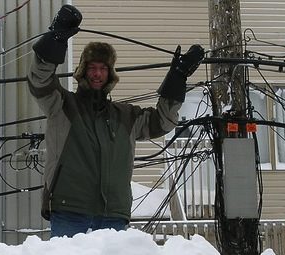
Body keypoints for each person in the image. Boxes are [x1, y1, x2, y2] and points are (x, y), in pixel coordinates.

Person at [28, 5, 204, 238]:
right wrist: (56, 38)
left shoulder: (126, 116)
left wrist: (178, 77)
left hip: (114, 213)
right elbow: (39, 80)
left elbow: (163, 121)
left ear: (110, 74)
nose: (97, 74)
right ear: (82, 71)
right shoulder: (62, 105)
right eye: (92, 68)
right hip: (69, 209)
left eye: (103, 68)